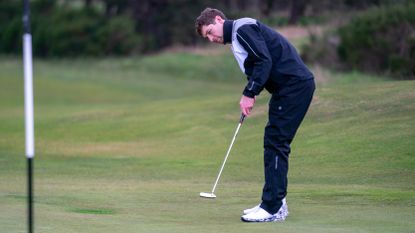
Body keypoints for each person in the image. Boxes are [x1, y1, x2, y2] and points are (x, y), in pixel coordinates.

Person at [195, 8, 316, 222]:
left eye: (211, 32)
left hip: (294, 87)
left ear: (218, 19)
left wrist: (250, 93)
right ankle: (274, 202)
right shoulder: (236, 38)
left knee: (276, 142)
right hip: (287, 89)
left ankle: (273, 207)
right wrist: (252, 89)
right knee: (274, 141)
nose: (212, 38)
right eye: (208, 37)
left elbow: (263, 61)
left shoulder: (242, 28)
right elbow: (259, 67)